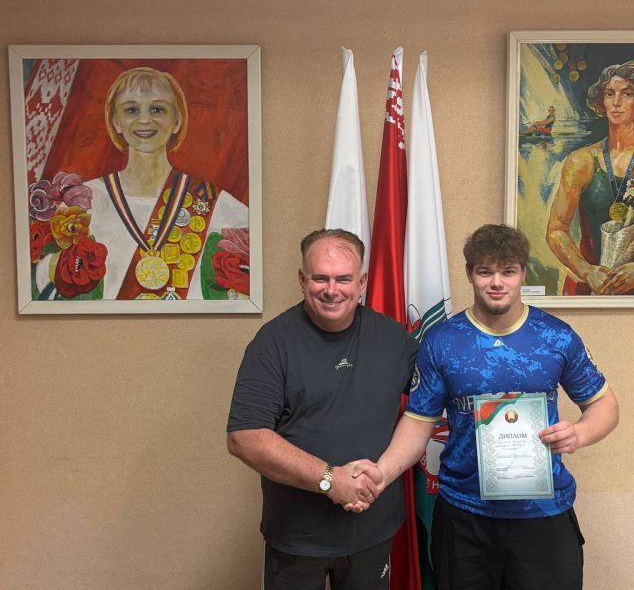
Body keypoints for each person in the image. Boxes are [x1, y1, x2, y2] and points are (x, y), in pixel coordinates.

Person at [349, 224, 619, 589]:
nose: (496, 282)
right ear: (469, 273)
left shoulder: (556, 336)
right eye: (485, 271)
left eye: (508, 271)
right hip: (464, 516)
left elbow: (604, 405)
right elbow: (418, 421)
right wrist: (382, 472)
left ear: (523, 273)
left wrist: (580, 433)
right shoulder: (442, 341)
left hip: (543, 513)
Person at [227, 229, 417, 590]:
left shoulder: (394, 339)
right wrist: (330, 480)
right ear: (302, 280)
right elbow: (244, 437)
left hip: (373, 531)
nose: (332, 290)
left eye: (344, 278)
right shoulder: (273, 343)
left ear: (362, 282)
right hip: (297, 538)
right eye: (320, 278)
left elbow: (429, 407)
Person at [35, 66, 249, 300]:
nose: (145, 120)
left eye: (157, 109)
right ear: (115, 121)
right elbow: (43, 283)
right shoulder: (85, 202)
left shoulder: (213, 203)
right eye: (131, 110)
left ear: (177, 120)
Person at [546, 61, 634, 295]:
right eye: (609, 94)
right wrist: (587, 271)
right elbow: (556, 230)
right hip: (591, 286)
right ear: (601, 102)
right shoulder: (581, 162)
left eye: (627, 94)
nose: (616, 102)